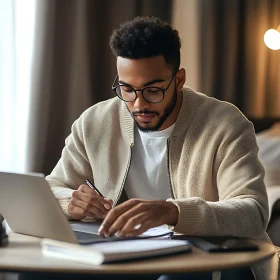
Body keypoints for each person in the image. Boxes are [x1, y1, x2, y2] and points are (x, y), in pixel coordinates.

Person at [42, 17, 274, 279]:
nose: (138, 104)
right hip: (131, 256)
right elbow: (52, 186)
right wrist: (69, 203)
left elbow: (253, 213)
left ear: (179, 80)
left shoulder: (225, 124)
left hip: (217, 260)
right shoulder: (95, 121)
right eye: (127, 89)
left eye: (153, 90)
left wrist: (174, 211)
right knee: (40, 272)